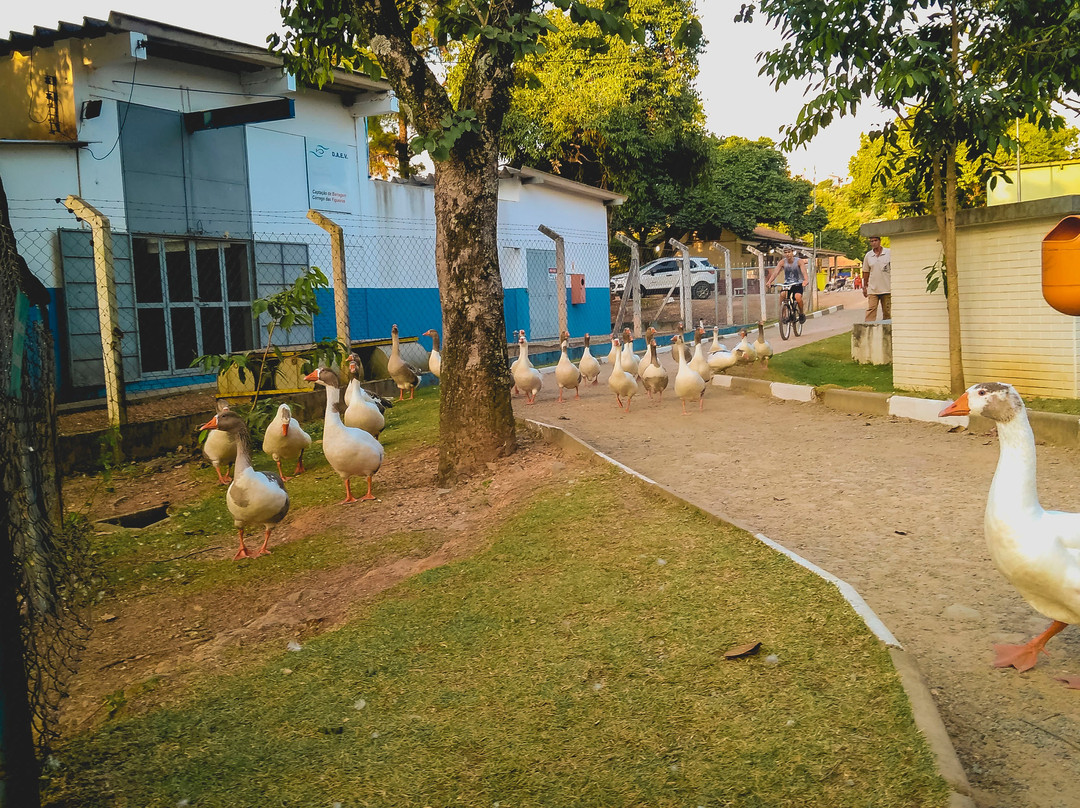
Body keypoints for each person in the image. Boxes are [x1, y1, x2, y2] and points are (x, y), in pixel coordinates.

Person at [766, 246, 809, 323]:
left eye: (789, 252)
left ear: (792, 252)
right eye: (785, 252)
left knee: (798, 297)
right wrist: (769, 282)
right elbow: (775, 273)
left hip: (797, 283)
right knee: (782, 294)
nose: (787, 254)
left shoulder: (799, 261)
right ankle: (783, 314)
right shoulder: (782, 262)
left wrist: (805, 280)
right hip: (787, 284)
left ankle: (801, 313)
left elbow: (804, 272)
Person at [862, 235, 891, 321]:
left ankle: (887, 331)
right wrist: (865, 286)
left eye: (875, 240)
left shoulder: (888, 253)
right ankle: (868, 329)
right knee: (871, 309)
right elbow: (865, 272)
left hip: (886, 288)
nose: (874, 243)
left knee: (887, 311)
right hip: (873, 288)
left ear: (879, 241)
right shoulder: (868, 255)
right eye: (871, 241)